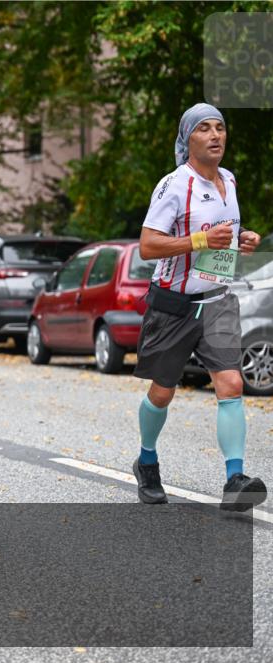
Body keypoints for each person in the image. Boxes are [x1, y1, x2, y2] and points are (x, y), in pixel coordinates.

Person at [133, 102, 265, 512]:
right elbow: (148, 246)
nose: (215, 135)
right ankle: (147, 460)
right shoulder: (174, 185)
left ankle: (235, 479)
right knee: (162, 392)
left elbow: (225, 234)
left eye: (219, 128)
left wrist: (243, 239)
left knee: (231, 384)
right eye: (204, 128)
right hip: (174, 305)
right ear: (187, 139)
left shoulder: (229, 180)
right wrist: (200, 241)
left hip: (218, 301)